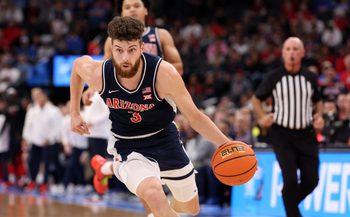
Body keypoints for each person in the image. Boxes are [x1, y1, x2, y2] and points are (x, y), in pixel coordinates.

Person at [70, 16, 231, 217]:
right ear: (112, 49)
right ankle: (121, 166)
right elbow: (77, 66)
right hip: (128, 144)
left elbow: (195, 117)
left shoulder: (163, 74)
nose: (125, 58)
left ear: (142, 47)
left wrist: (226, 143)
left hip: (165, 139)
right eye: (119, 50)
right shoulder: (101, 73)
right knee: (154, 194)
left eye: (131, 50)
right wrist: (74, 114)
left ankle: (106, 167)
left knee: (191, 208)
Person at [251, 37, 324, 217]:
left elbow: (319, 101)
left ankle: (288, 201)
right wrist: (261, 117)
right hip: (282, 135)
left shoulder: (310, 77)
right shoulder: (274, 77)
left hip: (307, 134)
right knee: (290, 180)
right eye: (288, 49)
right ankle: (293, 212)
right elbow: (256, 99)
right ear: (283, 53)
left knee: (312, 180)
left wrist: (319, 116)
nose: (291, 53)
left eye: (295, 49)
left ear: (302, 53)